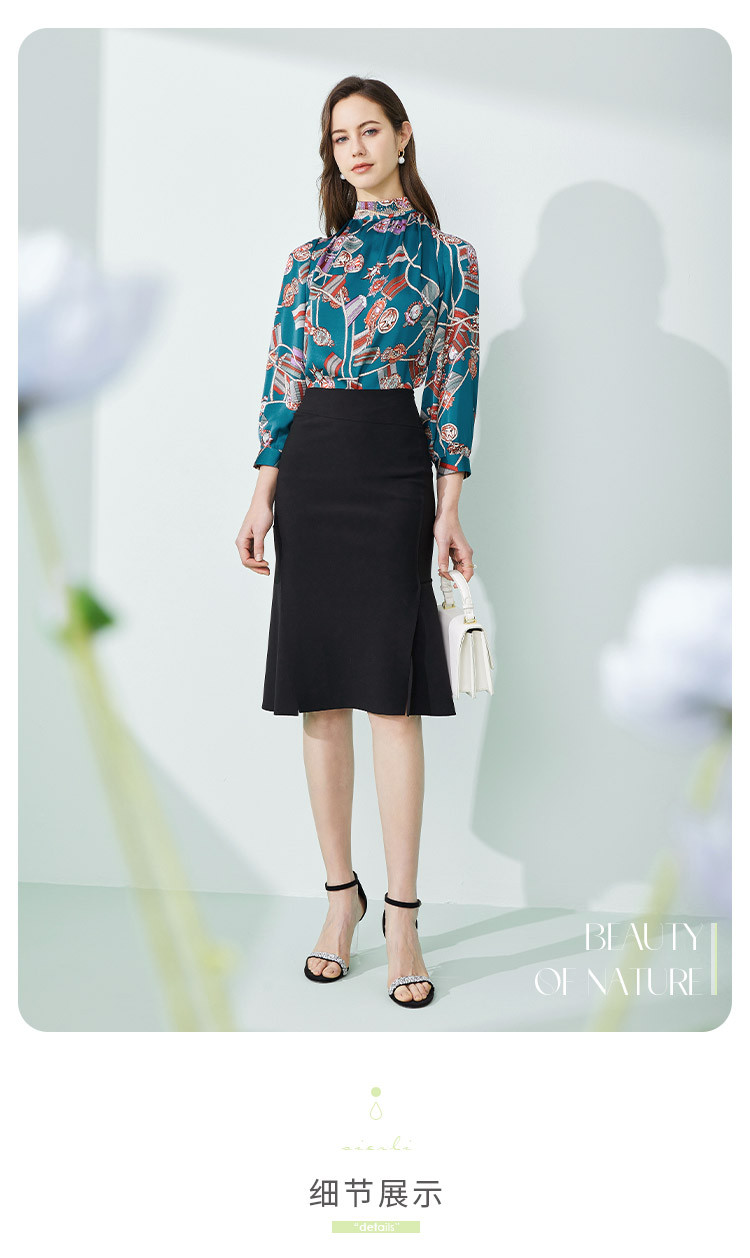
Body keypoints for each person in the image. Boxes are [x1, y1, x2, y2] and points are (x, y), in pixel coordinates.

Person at [235, 75, 479, 1009]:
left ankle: (403, 915)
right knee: (321, 696)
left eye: (370, 130)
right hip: (312, 469)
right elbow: (282, 377)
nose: (356, 149)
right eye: (340, 138)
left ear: (403, 136)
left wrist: (448, 508)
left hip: (391, 465)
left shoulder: (450, 258)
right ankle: (341, 897)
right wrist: (262, 493)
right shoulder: (308, 261)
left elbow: (455, 384)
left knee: (392, 698)